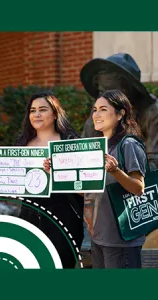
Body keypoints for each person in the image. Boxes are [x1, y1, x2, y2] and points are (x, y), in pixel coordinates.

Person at [0, 91, 84, 268]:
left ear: (55, 113)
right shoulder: (22, 144)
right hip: (30, 217)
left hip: (64, 218)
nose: (37, 114)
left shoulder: (70, 142)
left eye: (43, 109)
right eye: (33, 110)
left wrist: (59, 174)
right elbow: (11, 183)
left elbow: (84, 190)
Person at [45, 90, 147, 268]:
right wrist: (56, 174)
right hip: (98, 236)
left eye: (103, 109)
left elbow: (139, 188)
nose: (96, 115)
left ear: (120, 114)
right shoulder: (95, 148)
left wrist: (116, 172)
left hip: (121, 240)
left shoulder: (128, 144)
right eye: (94, 110)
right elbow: (86, 191)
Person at [80, 53, 158, 169]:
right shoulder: (99, 111)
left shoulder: (152, 112)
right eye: (102, 92)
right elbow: (83, 154)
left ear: (128, 90)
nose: (106, 99)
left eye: (113, 93)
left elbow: (154, 164)